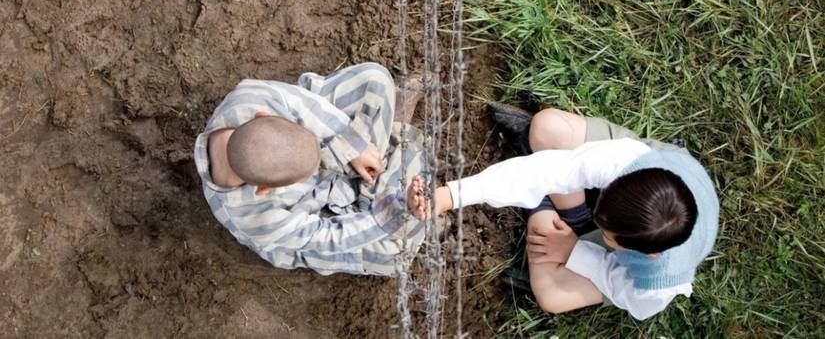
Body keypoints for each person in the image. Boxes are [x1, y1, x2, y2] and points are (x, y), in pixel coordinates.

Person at [412, 105, 719, 320]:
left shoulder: (657, 283)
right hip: (643, 177)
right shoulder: (627, 161)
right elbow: (553, 170)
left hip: (631, 255)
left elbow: (619, 286)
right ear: (624, 179)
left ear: (645, 254)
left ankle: (551, 212)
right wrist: (449, 195)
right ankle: (563, 214)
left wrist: (574, 251)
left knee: (552, 296)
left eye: (610, 237)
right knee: (547, 128)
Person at [194, 62, 429, 276]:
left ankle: (377, 175)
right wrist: (381, 218)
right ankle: (382, 182)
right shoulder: (258, 219)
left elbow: (306, 107)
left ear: (263, 116)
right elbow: (325, 236)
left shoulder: (250, 97)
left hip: (335, 148)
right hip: (314, 211)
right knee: (396, 254)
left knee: (374, 79)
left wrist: (352, 146)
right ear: (265, 189)